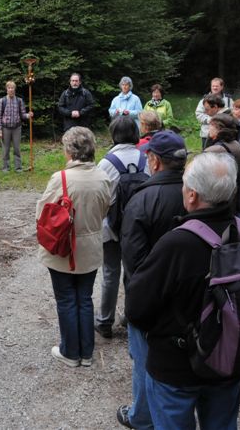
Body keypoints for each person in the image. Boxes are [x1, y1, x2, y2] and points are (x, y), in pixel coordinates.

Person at [126, 152, 240, 430]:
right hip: (229, 358)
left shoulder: (176, 244)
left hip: (176, 367)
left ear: (192, 195)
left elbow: (137, 309)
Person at [116, 131, 187, 430]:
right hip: (189, 294)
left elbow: (133, 259)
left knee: (144, 359)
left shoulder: (142, 199)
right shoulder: (197, 194)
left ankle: (142, 416)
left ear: (154, 161)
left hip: (150, 297)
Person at [36, 127, 111, 367]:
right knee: (85, 298)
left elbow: (42, 212)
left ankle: (70, 352)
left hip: (64, 248)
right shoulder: (103, 177)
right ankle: (86, 353)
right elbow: (105, 210)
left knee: (67, 299)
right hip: (91, 246)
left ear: (69, 151)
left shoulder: (61, 178)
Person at [94, 117, 148, 339]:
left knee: (110, 272)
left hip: (111, 228)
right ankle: (129, 316)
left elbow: (100, 198)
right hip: (138, 228)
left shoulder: (107, 163)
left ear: (113, 134)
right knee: (133, 272)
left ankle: (105, 321)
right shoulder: (145, 158)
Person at [0, 80, 33, 173]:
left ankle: (18, 168)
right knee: (6, 149)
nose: (11, 89)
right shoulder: (2, 101)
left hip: (17, 128)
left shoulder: (19, 101)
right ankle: (5, 168)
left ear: (14, 89)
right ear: (6, 89)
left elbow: (23, 114)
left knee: (17, 148)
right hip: (5, 128)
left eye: (12, 88)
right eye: (9, 88)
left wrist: (28, 115)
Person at [195, 78, 233, 148]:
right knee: (207, 152)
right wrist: (212, 120)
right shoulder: (204, 99)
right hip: (207, 133)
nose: (215, 88)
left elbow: (232, 113)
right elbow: (199, 114)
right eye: (213, 86)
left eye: (217, 86)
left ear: (222, 87)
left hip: (224, 133)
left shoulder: (228, 99)